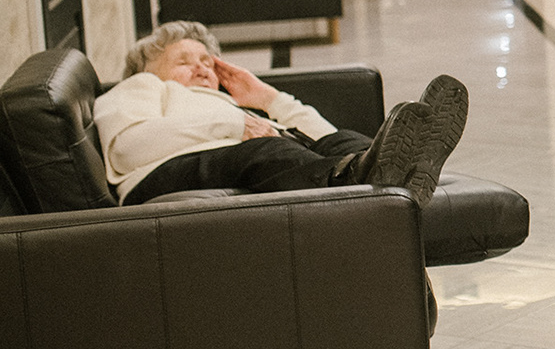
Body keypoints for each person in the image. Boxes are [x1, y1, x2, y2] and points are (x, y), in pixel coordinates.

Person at [95, 20, 466, 208]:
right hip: (160, 177)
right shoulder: (140, 86)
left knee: (341, 142)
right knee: (267, 151)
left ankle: (394, 171)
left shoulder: (231, 105)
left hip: (233, 151)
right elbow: (126, 149)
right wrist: (236, 124)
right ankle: (374, 181)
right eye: (183, 61)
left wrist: (268, 99)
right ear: (145, 69)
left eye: (207, 61)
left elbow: (319, 135)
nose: (202, 68)